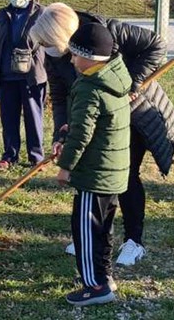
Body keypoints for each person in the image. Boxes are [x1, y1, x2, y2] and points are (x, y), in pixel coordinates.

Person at [30, 3, 174, 266]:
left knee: (125, 174)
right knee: (96, 175)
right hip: (92, 116)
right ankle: (95, 237)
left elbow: (155, 45)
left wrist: (131, 85)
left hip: (131, 115)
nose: (47, 50)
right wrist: (61, 132)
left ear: (65, 36)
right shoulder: (55, 52)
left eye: (50, 44)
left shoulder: (105, 31)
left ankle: (134, 241)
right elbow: (59, 94)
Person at [55, 23, 131, 306]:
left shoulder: (90, 87)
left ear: (91, 58)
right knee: (103, 228)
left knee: (85, 230)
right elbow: (92, 124)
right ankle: (106, 276)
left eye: (76, 55)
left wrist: (65, 166)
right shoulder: (115, 75)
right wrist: (67, 130)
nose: (72, 60)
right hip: (112, 170)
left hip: (94, 173)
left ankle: (95, 286)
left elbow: (82, 135)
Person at [0, 0, 47, 170]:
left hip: (32, 76)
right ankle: (9, 155)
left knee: (33, 116)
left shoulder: (41, 13)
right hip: (5, 75)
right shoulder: (3, 14)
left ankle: (36, 158)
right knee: (8, 117)